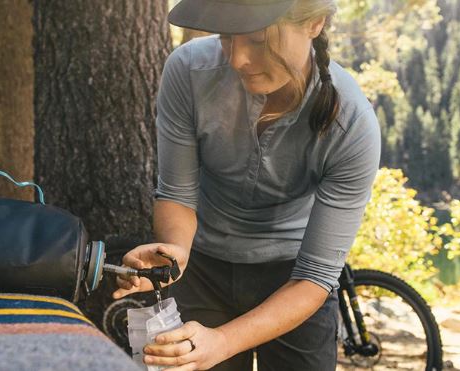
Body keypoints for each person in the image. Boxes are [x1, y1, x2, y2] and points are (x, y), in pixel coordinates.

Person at [112, 0, 381, 370]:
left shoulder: (351, 124)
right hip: (203, 267)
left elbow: (316, 277)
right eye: (226, 37)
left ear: (314, 23)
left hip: (292, 279)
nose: (237, 59)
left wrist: (222, 341)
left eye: (257, 40)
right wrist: (174, 252)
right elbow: (177, 193)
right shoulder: (189, 71)